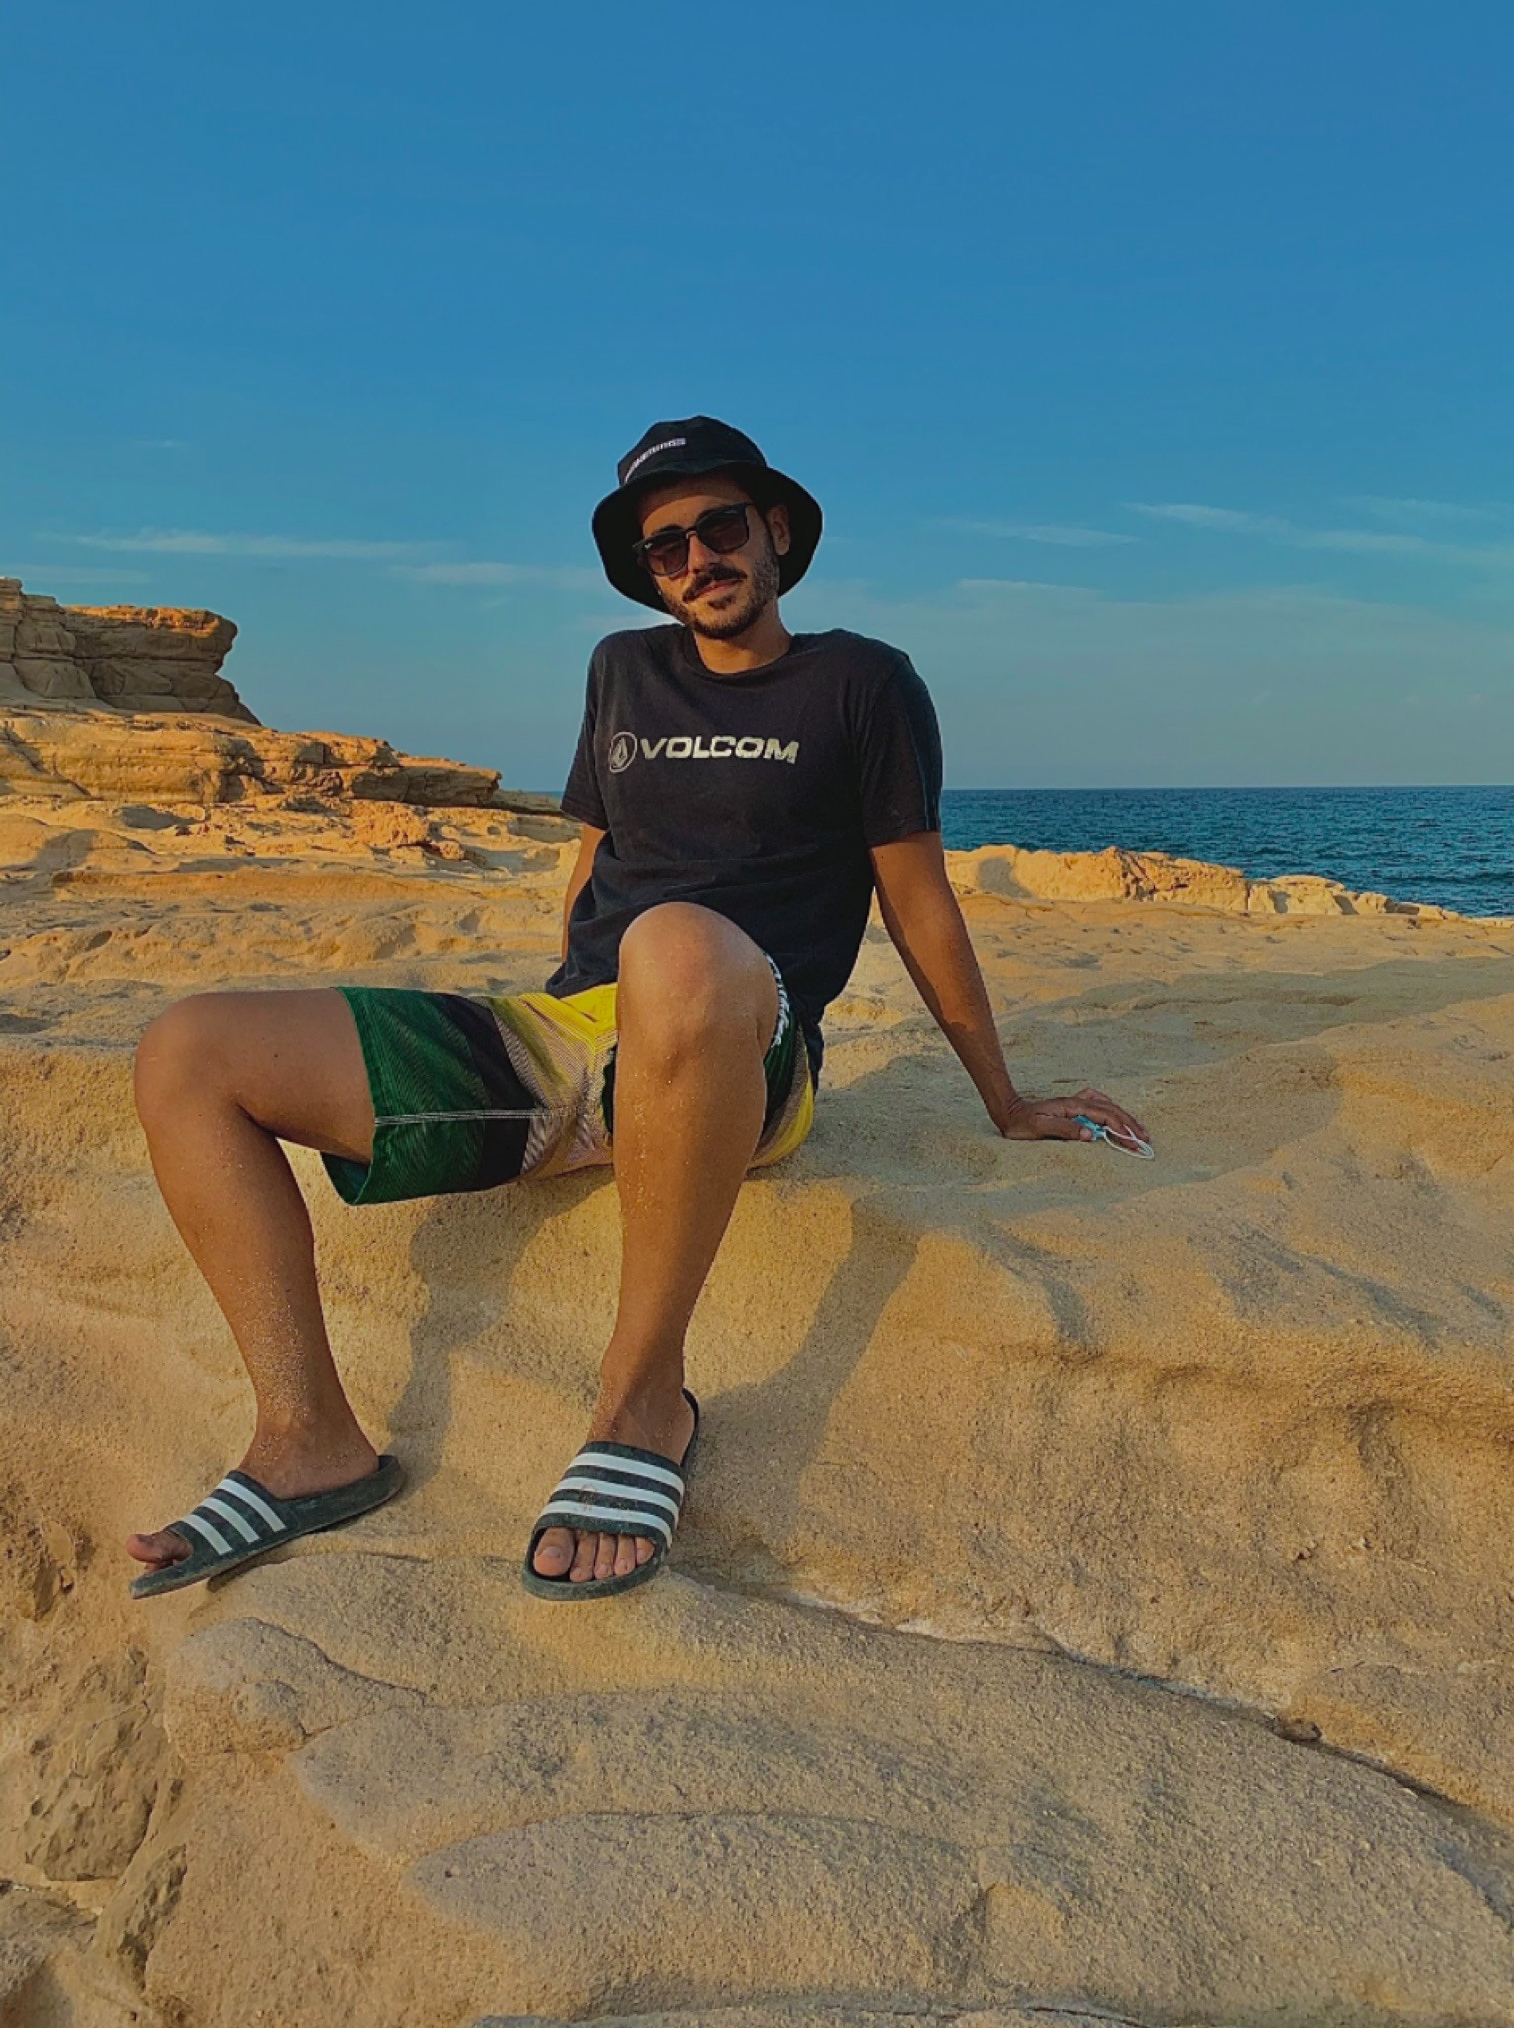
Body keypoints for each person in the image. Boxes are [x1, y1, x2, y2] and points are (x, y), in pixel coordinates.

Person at [127, 415, 1150, 1602]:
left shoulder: (863, 682)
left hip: (742, 1035)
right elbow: (591, 865)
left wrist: (1005, 1098)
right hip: (585, 1028)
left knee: (674, 943)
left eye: (721, 527)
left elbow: (918, 901)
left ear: (775, 531)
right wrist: (551, 1033)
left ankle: (643, 1400)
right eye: (668, 546)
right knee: (187, 1050)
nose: (699, 558)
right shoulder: (622, 668)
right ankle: (308, 1438)